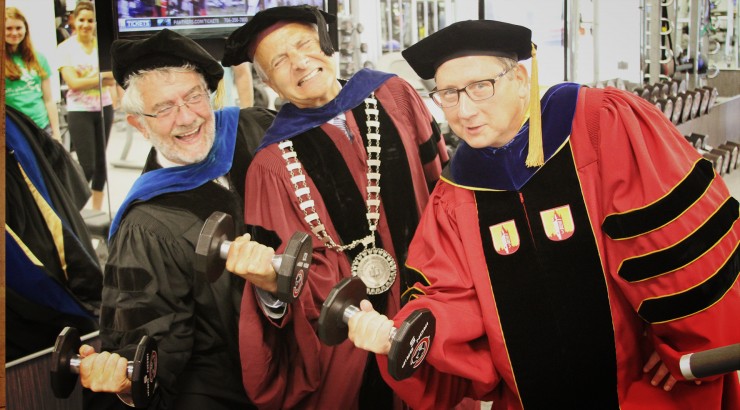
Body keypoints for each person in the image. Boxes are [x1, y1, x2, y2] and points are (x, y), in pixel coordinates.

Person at [346, 19, 740, 410]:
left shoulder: (600, 123)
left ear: (519, 78)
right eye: (448, 94)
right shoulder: (455, 194)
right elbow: (450, 297)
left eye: (481, 87)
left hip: (643, 393)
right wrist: (403, 336)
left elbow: (675, 243)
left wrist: (686, 348)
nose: (464, 110)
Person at [221, 5, 448, 409]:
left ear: (325, 44)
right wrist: (273, 284)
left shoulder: (394, 93)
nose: (299, 63)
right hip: (351, 343)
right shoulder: (270, 166)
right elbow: (285, 277)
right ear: (267, 81)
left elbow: (441, 186)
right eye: (279, 62)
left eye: (304, 44)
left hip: (433, 302)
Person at [76, 29, 274, 409]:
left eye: (193, 97)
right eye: (164, 108)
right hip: (232, 389)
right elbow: (151, 354)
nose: (186, 118)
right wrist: (126, 381)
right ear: (139, 125)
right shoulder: (146, 226)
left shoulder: (255, 128)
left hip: (315, 355)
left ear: (210, 95)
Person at [57, 1, 116, 211]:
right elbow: (73, 83)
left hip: (104, 108)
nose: (86, 24)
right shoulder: (65, 48)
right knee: (87, 167)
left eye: (90, 20)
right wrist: (101, 77)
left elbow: (114, 77)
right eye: (82, 19)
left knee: (101, 167)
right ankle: (75, 212)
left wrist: (91, 79)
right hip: (79, 111)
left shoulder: (103, 45)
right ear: (73, 20)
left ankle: (96, 213)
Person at [5, 7, 63, 142]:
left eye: (18, 28)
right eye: (8, 28)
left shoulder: (39, 58)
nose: (14, 33)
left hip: (41, 127)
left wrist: (56, 132)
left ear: (25, 29)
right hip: (13, 130)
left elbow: (48, 99)